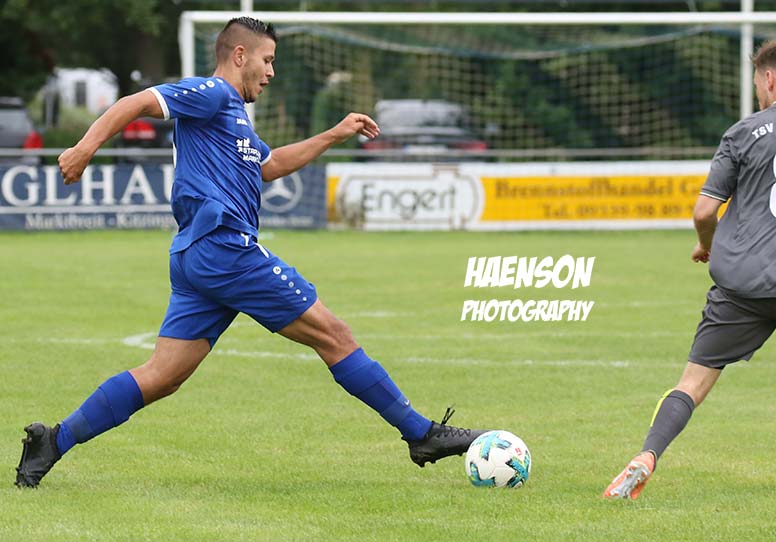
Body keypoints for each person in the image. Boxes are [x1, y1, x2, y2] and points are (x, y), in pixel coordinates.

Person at [15, 16, 484, 488]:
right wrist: (84, 148)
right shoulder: (213, 94)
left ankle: (53, 441)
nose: (271, 72)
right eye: (268, 60)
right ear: (240, 55)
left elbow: (270, 164)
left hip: (197, 256)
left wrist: (333, 134)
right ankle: (421, 434)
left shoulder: (233, 117)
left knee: (162, 376)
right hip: (226, 248)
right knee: (334, 335)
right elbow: (136, 102)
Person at [604, 38, 776, 500]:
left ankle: (646, 455)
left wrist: (706, 245)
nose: (758, 91)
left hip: (740, 285)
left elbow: (704, 212)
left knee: (691, 384)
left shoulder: (743, 131)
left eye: (757, 83)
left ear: (769, 78)